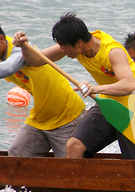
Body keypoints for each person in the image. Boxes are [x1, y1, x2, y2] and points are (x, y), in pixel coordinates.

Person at [12, 13, 135, 160]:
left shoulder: (112, 51)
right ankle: (74, 182)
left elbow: (129, 84)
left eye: (64, 47)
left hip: (134, 110)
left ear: (79, 43)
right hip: (108, 106)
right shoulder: (76, 44)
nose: (62, 50)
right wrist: (24, 46)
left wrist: (95, 88)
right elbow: (36, 60)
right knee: (73, 146)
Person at [0, 26, 85, 157]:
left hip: (67, 115)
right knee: (17, 153)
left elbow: (7, 68)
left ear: (1, 39)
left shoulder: (21, 49)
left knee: (70, 167)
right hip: (40, 117)